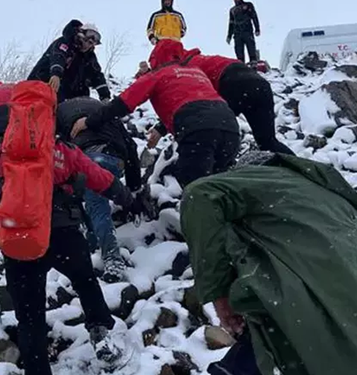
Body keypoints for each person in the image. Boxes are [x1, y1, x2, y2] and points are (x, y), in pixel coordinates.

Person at [0, 82, 147, 375]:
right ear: (50, 114)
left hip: (19, 237)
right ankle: (100, 331)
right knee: (85, 282)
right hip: (63, 233)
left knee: (29, 316)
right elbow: (101, 179)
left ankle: (37, 368)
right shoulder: (61, 151)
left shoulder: (1, 150)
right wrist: (129, 199)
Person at [180, 151, 357, 375]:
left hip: (303, 306)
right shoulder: (332, 204)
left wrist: (219, 293)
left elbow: (200, 194)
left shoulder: (263, 182)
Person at [70, 39, 240, 189]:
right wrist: (161, 129)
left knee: (196, 189)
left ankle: (201, 223)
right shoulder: (196, 72)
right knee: (219, 187)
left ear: (156, 58)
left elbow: (122, 104)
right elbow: (194, 101)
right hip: (230, 128)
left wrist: (89, 122)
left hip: (197, 130)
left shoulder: (157, 74)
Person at [57, 97, 146, 283]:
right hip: (112, 157)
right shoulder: (104, 110)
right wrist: (133, 189)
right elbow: (131, 146)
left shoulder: (58, 114)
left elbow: (56, 149)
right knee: (96, 202)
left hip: (85, 160)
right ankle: (96, 244)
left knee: (93, 203)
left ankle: (111, 257)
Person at [170, 41, 294, 155]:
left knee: (211, 131)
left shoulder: (186, 69)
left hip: (232, 84)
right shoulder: (205, 59)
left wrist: (164, 128)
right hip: (259, 84)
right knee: (268, 141)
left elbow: (188, 102)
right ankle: (303, 169)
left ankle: (217, 169)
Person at [28, 20, 110, 103]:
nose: (88, 46)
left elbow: (96, 75)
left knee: (84, 95)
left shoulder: (89, 57)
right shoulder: (64, 43)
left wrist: (105, 96)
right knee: (56, 87)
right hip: (42, 84)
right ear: (81, 33)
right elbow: (59, 56)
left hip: (67, 94)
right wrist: (56, 74)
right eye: (87, 41)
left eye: (91, 44)